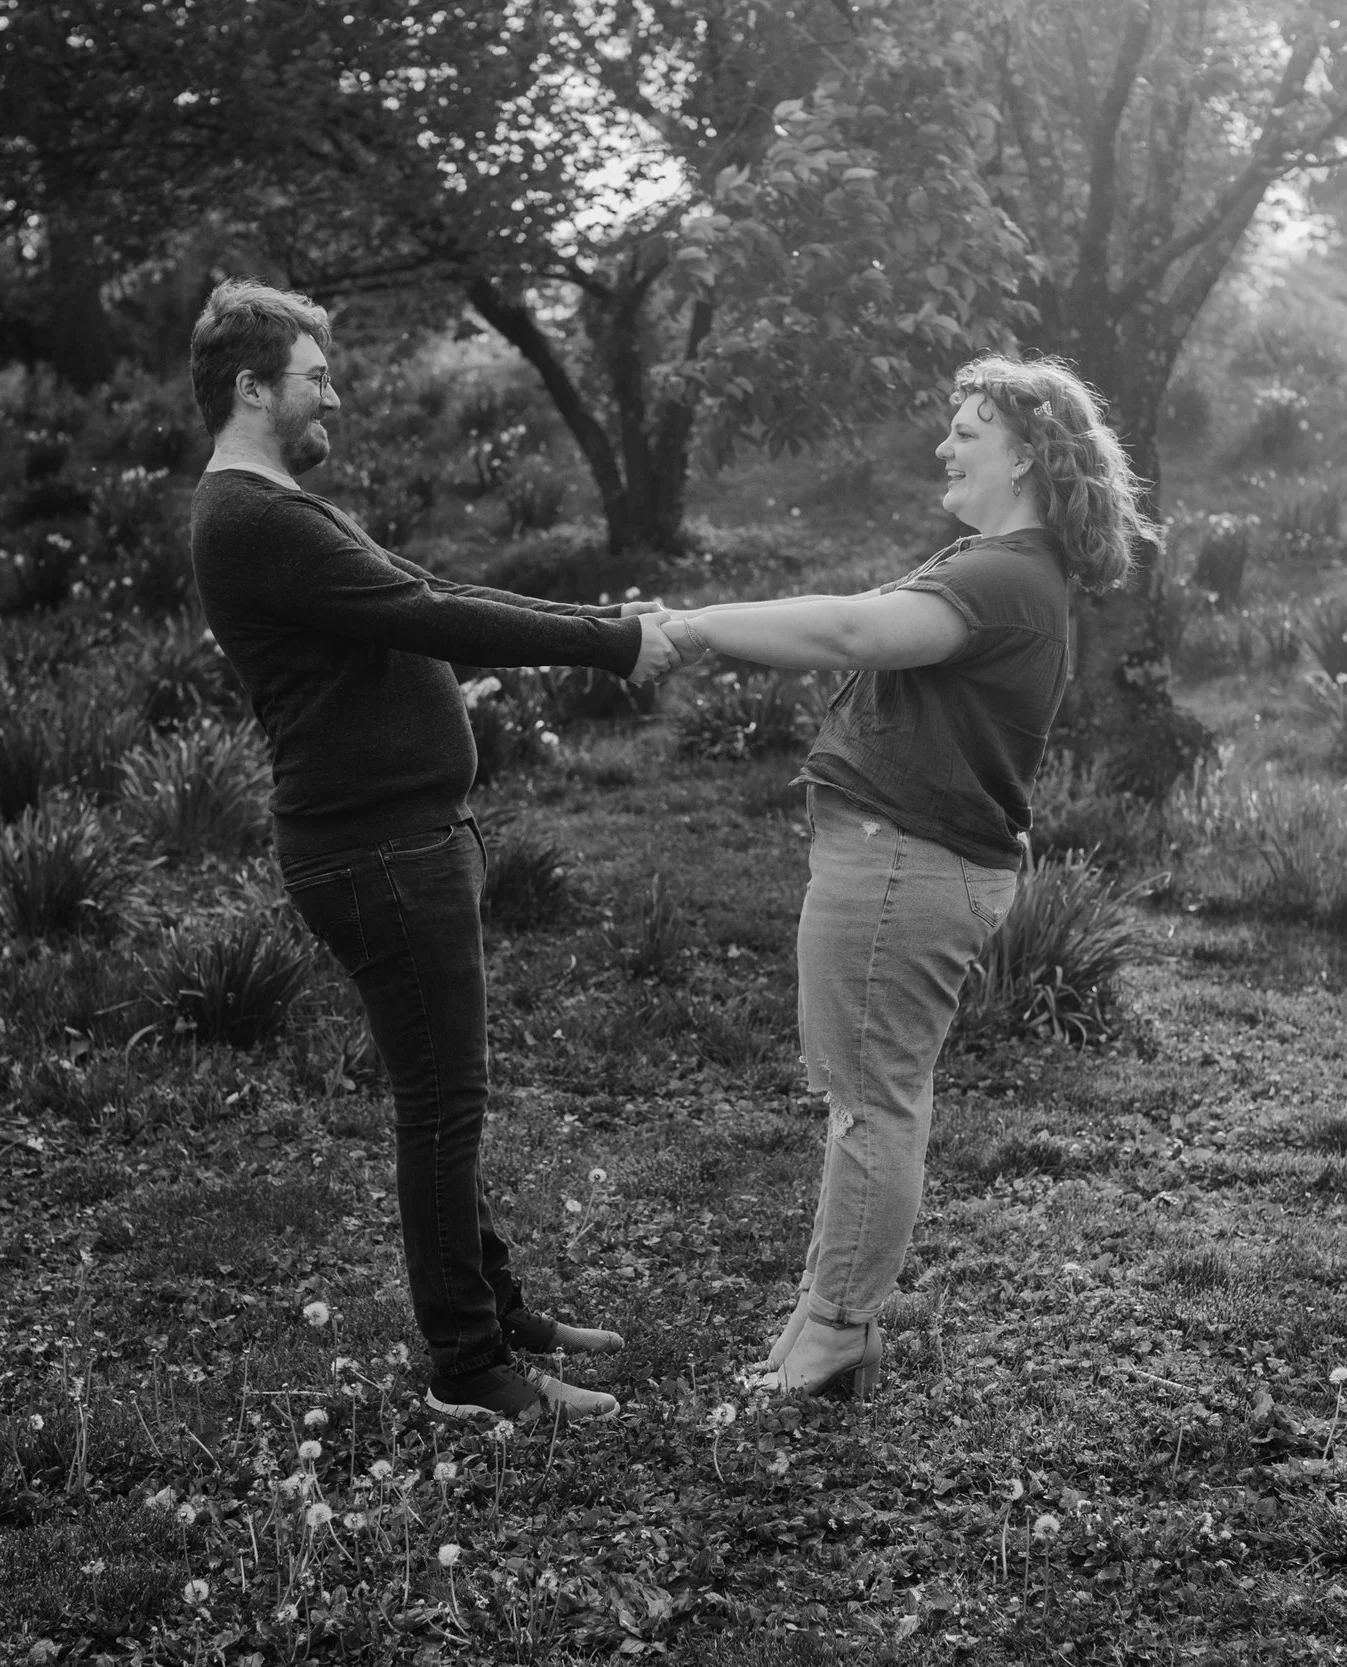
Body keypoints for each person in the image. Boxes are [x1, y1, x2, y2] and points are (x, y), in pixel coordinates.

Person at [186, 279, 681, 1424]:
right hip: (374, 852)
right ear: (253, 388)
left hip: (395, 835)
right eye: (316, 377)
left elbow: (379, 629)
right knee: (441, 1106)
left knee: (449, 1099)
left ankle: (497, 1311)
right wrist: (612, 640)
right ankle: (471, 1368)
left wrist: (428, 697)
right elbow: (428, 602)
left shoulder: (261, 508)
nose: (335, 397)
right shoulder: (255, 513)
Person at [652, 354, 1154, 1399]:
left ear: (1022, 453)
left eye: (965, 430)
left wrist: (685, 630)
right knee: (863, 1097)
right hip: (898, 859)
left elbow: (846, 627)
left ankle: (836, 1328)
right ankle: (823, 1316)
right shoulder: (997, 563)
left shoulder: (1004, 575)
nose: (944, 445)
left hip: (903, 866)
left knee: (871, 1102)